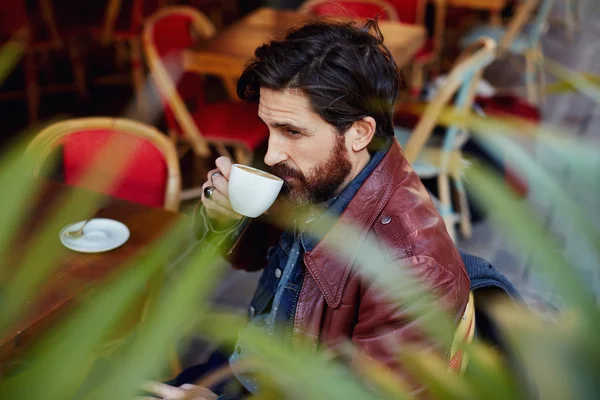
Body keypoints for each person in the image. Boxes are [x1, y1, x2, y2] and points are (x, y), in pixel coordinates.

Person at [164, 18, 473, 399]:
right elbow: (255, 256)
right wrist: (225, 219)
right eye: (268, 127)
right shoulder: (324, 172)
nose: (272, 153)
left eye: (292, 131)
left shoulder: (410, 269)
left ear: (359, 132)